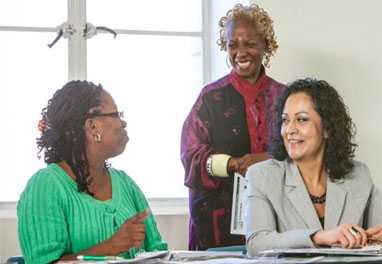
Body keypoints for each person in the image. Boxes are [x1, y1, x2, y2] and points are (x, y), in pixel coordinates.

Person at [18, 81, 167, 263]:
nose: (124, 123)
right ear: (92, 126)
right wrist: (110, 246)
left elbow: (159, 252)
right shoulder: (45, 186)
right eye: (116, 115)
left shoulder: (125, 183)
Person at [181, 3, 285, 250]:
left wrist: (268, 160)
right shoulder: (210, 97)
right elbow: (191, 157)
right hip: (218, 223)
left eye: (250, 44)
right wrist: (232, 164)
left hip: (276, 218)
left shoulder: (284, 97)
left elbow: (303, 155)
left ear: (266, 46)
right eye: (232, 45)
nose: (240, 52)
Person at [245, 78, 382, 256]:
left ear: (327, 129)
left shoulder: (358, 174)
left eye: (301, 120)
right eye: (285, 120)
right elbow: (256, 244)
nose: (289, 130)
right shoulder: (261, 175)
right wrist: (319, 237)